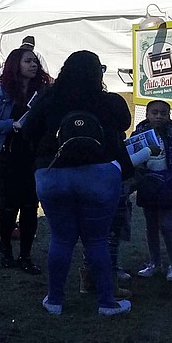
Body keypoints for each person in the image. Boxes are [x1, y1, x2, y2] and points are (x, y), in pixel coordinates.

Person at [19, 50, 135, 317]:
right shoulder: (108, 102)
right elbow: (124, 123)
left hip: (52, 174)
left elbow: (27, 130)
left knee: (61, 239)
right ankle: (107, 302)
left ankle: (55, 300)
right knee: (97, 241)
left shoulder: (49, 98)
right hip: (99, 175)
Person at [0, 46, 50, 273]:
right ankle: (5, 248)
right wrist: (12, 125)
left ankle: (26, 255)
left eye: (35, 61)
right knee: (8, 208)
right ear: (15, 64)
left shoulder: (43, 92)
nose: (33, 65)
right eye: (28, 61)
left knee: (31, 206)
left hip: (32, 157)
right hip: (6, 157)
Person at [132, 100, 172, 281]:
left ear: (169, 116)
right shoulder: (138, 136)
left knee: (166, 225)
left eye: (163, 113)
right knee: (150, 226)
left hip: (169, 187)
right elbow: (132, 161)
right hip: (147, 187)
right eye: (154, 112)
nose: (158, 116)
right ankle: (154, 262)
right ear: (147, 114)